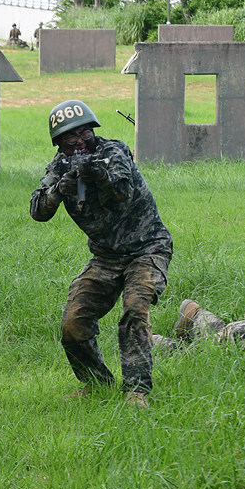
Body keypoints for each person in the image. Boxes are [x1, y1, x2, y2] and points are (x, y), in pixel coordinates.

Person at [30, 100, 173, 407]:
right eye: (72, 138)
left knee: (135, 307)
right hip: (106, 257)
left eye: (85, 133)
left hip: (147, 248)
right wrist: (60, 189)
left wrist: (97, 174)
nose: (80, 141)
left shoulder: (113, 151)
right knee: (73, 321)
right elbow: (37, 211)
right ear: (60, 143)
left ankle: (136, 390)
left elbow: (123, 191)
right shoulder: (58, 167)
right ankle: (97, 384)